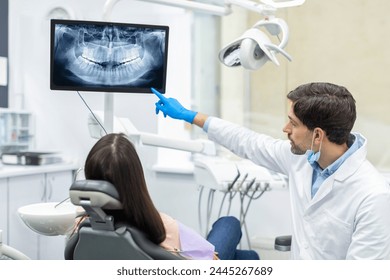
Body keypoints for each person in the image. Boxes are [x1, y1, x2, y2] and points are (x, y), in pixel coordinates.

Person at [152, 82, 390, 260]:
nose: (285, 128)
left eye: (293, 123)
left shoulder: (373, 197)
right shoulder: (303, 159)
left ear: (317, 135)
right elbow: (248, 142)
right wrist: (191, 116)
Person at [79, 132, 259, 260]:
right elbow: (213, 261)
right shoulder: (160, 227)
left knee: (246, 257)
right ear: (135, 180)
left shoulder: (82, 228)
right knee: (230, 224)